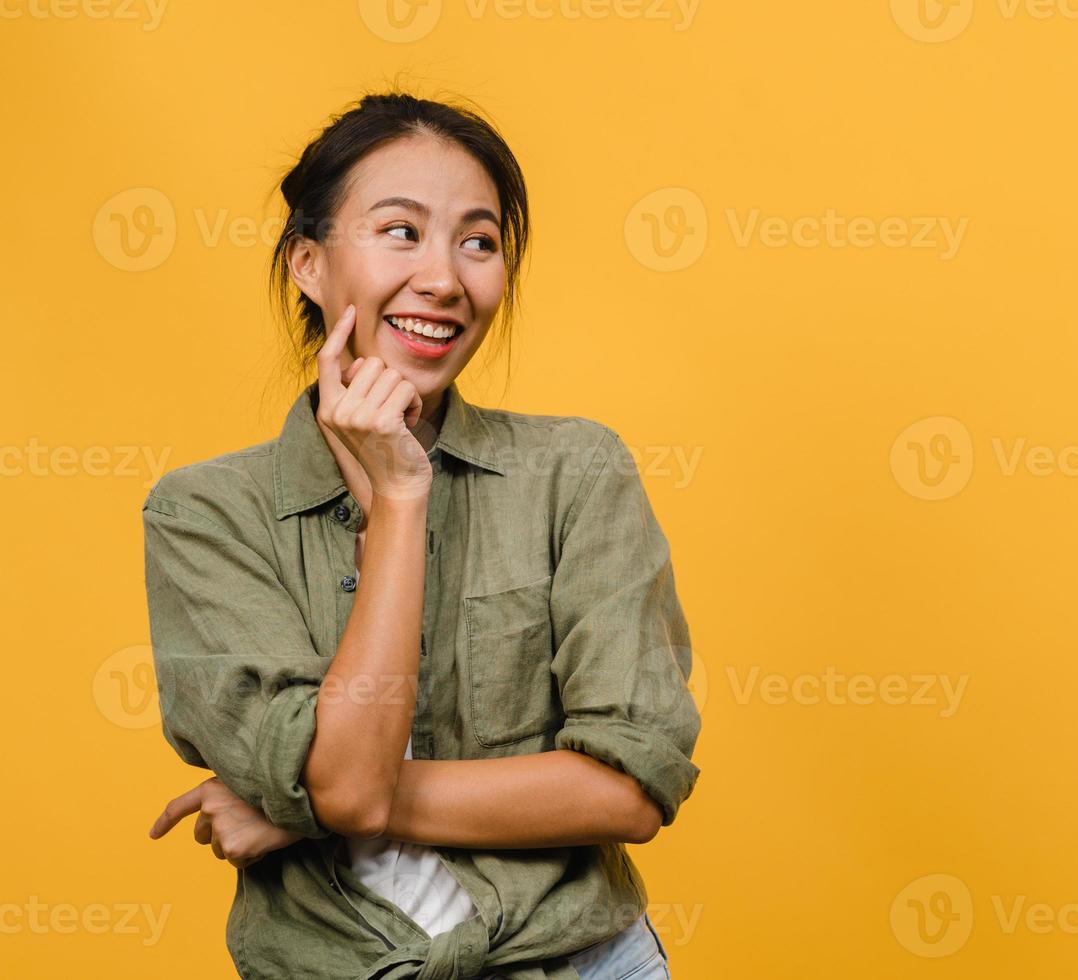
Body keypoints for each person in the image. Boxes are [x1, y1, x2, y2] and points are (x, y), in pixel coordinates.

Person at [138, 91, 700, 980]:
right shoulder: (204, 515)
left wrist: (302, 808)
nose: (444, 277)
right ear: (309, 264)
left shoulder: (576, 471)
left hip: (583, 961)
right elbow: (350, 784)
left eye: (478, 241)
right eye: (401, 231)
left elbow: (629, 790)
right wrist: (400, 499)